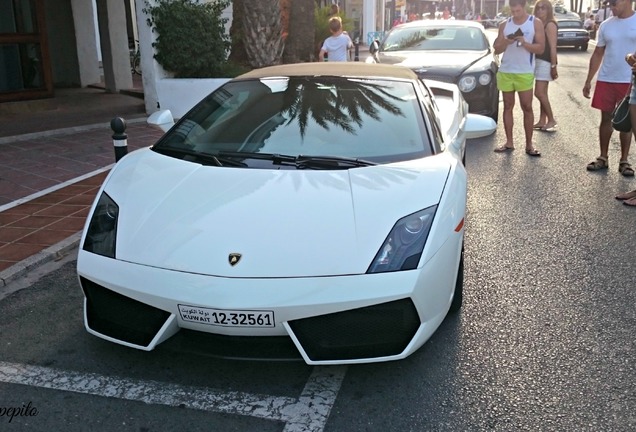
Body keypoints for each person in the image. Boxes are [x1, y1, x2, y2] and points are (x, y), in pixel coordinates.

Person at [582, 0, 636, 177]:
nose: (611, 7)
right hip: (607, 78)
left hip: (629, 80)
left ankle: (624, 160)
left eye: (615, 3)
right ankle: (603, 157)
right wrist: (589, 80)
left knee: (626, 123)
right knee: (606, 118)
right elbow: (598, 53)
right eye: (609, 4)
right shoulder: (606, 25)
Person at [492, 0, 545, 156]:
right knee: (507, 106)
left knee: (527, 107)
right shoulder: (504, 24)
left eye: (518, 11)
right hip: (506, 70)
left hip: (524, 71)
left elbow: (541, 48)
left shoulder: (535, 22)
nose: (515, 14)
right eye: (512, 11)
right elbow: (496, 49)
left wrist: (525, 43)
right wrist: (505, 41)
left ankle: (529, 145)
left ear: (524, 8)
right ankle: (509, 143)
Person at [532, 1, 558, 132]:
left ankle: (551, 119)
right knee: (543, 94)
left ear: (549, 10)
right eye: (538, 8)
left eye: (544, 8)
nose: (540, 10)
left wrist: (554, 66)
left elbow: (553, 47)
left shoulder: (550, 24)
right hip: (537, 61)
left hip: (546, 62)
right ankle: (542, 120)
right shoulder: (538, 24)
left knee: (539, 93)